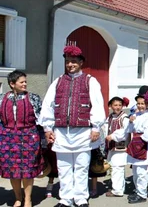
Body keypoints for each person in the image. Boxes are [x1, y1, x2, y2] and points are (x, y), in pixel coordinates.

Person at [39, 45, 106, 207]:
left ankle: (81, 198)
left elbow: (97, 104)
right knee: (64, 167)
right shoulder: (58, 81)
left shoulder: (90, 81)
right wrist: (47, 128)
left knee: (82, 166)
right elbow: (48, 105)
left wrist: (96, 127)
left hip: (83, 132)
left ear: (81, 63)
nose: (70, 64)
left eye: (74, 61)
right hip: (61, 132)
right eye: (68, 61)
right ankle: (66, 198)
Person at [0, 70, 43, 207]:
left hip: (28, 138)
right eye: (22, 82)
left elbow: (41, 119)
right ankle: (18, 198)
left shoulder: (33, 98)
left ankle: (28, 199)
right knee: (13, 170)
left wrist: (43, 139)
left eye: (25, 81)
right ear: (12, 84)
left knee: (28, 170)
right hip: (7, 139)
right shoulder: (1, 99)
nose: (25, 84)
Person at [105, 97, 130, 197]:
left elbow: (125, 132)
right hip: (112, 147)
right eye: (115, 105)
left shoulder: (124, 117)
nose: (118, 107)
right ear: (110, 106)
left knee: (118, 168)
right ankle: (118, 187)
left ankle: (117, 190)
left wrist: (113, 136)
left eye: (119, 105)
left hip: (120, 147)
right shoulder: (111, 116)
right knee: (115, 168)